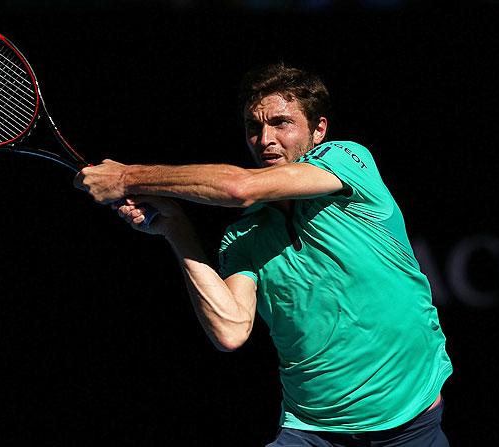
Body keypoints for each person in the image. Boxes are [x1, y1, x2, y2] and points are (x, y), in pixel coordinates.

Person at [73, 62, 452, 446]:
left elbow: (240, 187)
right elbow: (230, 329)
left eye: (281, 123)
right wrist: (175, 228)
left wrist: (127, 176)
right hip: (313, 430)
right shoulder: (245, 235)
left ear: (318, 130)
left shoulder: (348, 160)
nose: (265, 139)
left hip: (412, 424)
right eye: (254, 127)